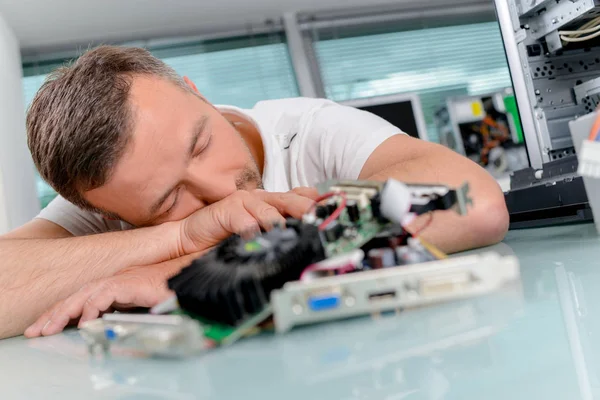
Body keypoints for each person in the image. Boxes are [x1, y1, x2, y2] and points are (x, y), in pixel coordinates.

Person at [0, 46, 509, 340]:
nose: (220, 191)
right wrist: (179, 236)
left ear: (195, 92)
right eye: (168, 201)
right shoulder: (109, 194)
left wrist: (187, 272)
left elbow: (475, 201)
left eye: (200, 145)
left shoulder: (308, 129)